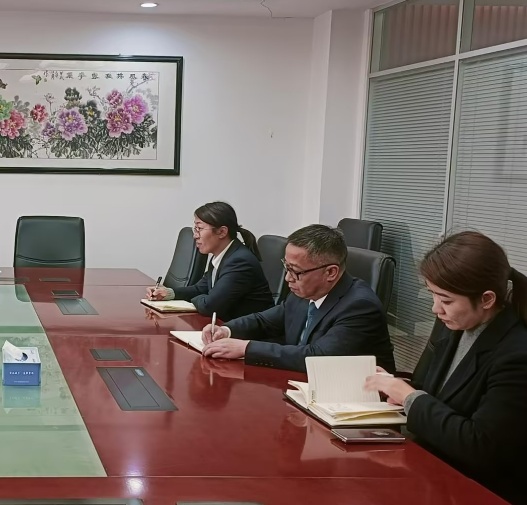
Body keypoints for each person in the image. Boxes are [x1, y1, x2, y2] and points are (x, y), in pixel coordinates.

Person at [365, 232, 527, 504]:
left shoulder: (517, 355)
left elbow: (481, 447)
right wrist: (397, 389)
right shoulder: (454, 323)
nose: (435, 309)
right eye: (433, 295)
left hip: (478, 489)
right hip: (429, 464)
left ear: (487, 299)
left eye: (446, 300)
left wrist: (409, 397)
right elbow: (431, 391)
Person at [201, 224, 395, 373]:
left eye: (295, 271)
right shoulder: (303, 293)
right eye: (286, 267)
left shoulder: (360, 306)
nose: (287, 278)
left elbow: (319, 356)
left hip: (353, 400)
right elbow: (265, 321)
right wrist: (226, 330)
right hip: (303, 387)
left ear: (331, 272)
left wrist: (246, 348)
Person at [146, 202, 273, 320]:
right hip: (225, 326)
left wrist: (200, 299)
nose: (195, 235)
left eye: (199, 229)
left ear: (222, 232)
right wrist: (168, 293)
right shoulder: (221, 255)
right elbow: (200, 288)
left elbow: (210, 306)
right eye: (195, 229)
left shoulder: (240, 261)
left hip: (251, 333)